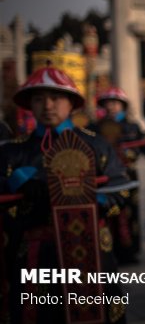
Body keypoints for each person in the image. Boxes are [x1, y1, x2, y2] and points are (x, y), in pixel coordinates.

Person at [0, 62, 131, 323]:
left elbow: (121, 190)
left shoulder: (95, 144)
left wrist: (85, 200)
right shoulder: (12, 152)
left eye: (56, 97)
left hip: (91, 246)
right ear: (29, 104)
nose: (47, 105)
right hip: (37, 254)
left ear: (72, 102)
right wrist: (18, 181)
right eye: (39, 99)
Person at [91, 86, 144, 264]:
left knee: (129, 213)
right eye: (108, 103)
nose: (111, 106)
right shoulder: (95, 127)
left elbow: (142, 146)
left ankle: (129, 250)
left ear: (123, 105)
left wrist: (130, 152)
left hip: (128, 175)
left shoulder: (131, 126)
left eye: (115, 103)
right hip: (104, 176)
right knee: (107, 213)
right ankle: (108, 250)